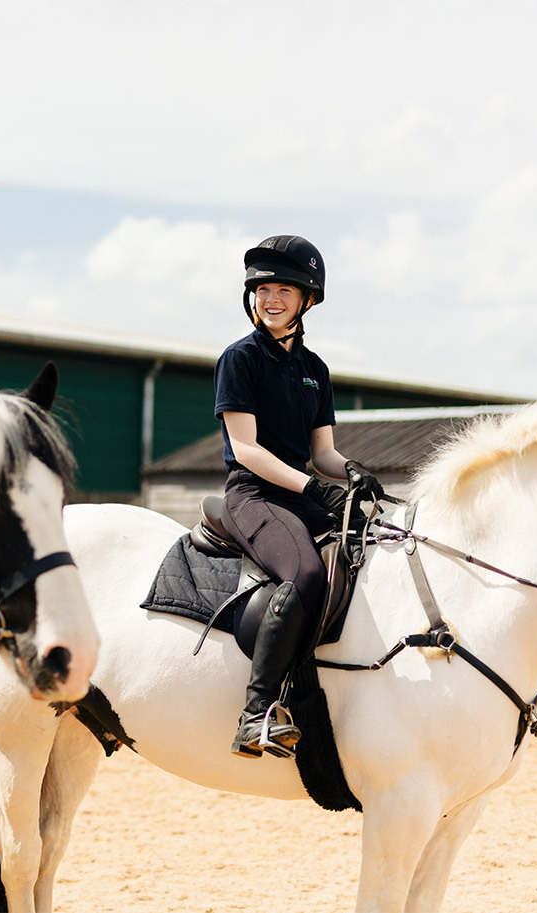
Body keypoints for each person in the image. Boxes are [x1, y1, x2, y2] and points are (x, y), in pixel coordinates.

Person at [213, 234, 384, 758]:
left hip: (299, 493)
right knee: (307, 574)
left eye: (285, 290)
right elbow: (246, 449)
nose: (272, 299)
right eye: (264, 289)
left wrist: (352, 473)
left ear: (307, 300)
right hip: (253, 495)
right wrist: (315, 488)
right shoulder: (240, 359)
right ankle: (256, 711)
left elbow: (323, 453)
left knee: (374, 545)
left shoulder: (316, 371)